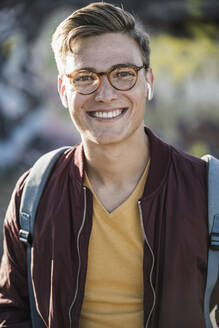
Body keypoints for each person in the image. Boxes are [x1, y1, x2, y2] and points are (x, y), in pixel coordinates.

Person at [0, 2, 218, 328]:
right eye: (85, 77)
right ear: (63, 90)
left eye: (123, 74)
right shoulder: (34, 193)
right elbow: (11, 312)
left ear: (149, 82)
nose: (105, 94)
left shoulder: (208, 191)